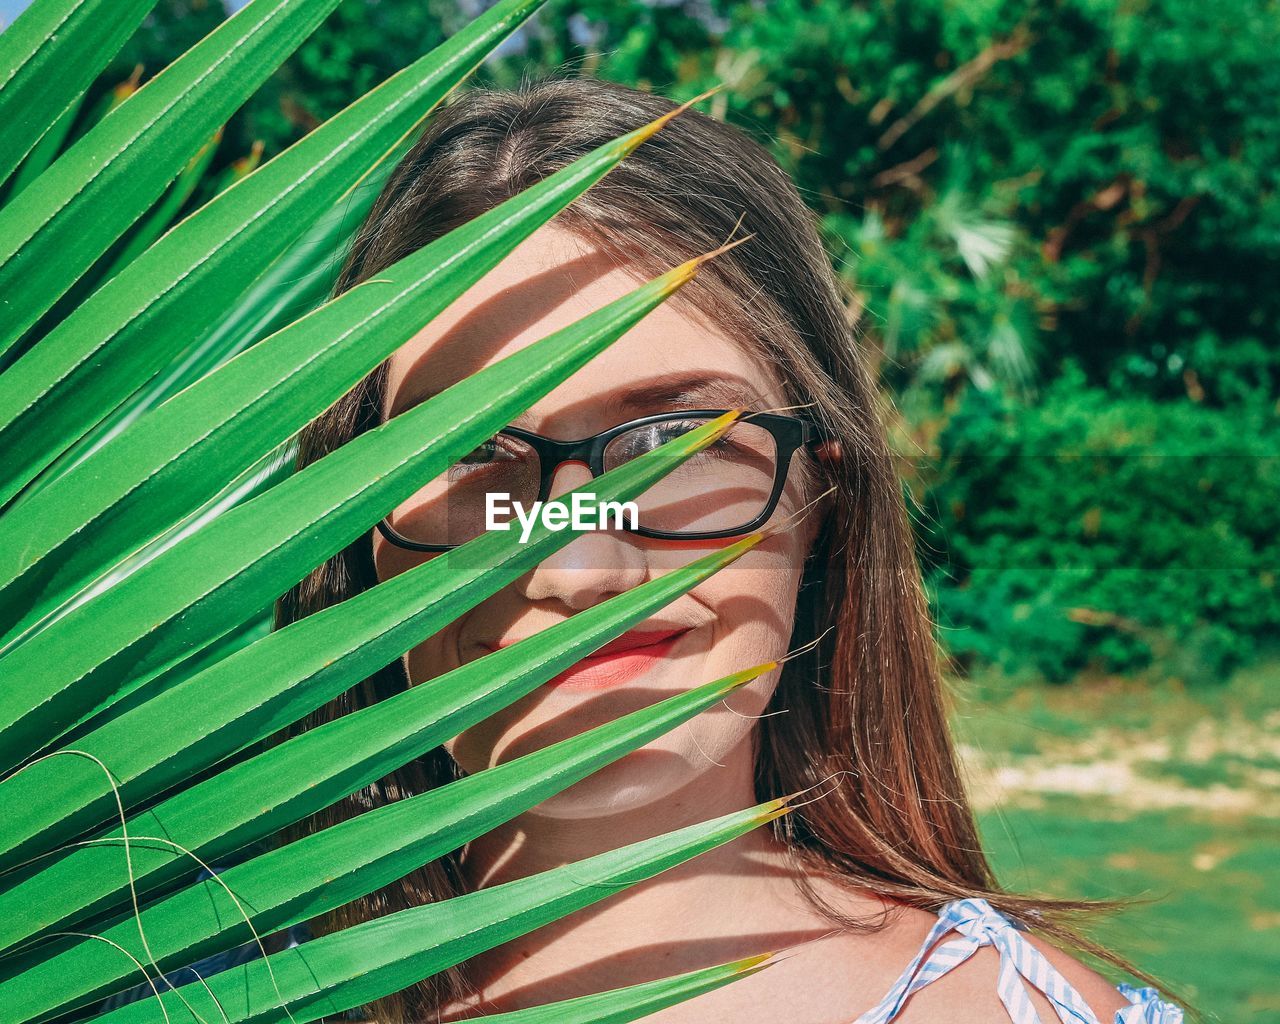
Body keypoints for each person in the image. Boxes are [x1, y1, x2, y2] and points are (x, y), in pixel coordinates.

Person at [277, 75, 1186, 1024]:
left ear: (821, 501)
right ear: (353, 522)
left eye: (672, 442)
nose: (579, 571)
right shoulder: (195, 995)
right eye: (470, 450)